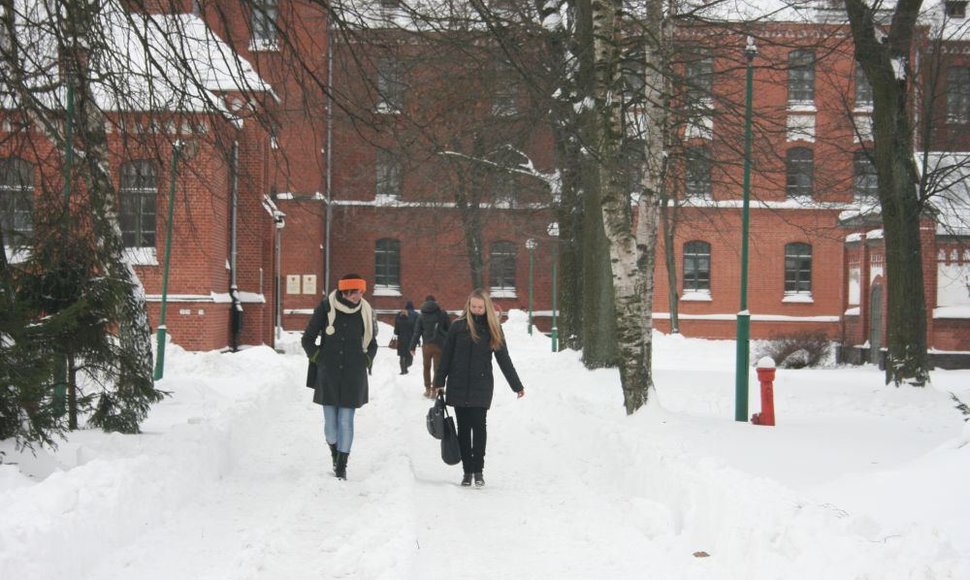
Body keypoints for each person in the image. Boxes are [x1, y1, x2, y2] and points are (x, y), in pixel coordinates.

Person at [434, 289, 525, 488]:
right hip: (458, 385)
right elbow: (446, 356)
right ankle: (467, 472)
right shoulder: (458, 327)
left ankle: (479, 470)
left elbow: (504, 359)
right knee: (463, 430)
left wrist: (516, 385)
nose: (476, 310)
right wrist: (439, 382)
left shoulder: (494, 329)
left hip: (481, 386)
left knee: (479, 427)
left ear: (487, 308)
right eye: (473, 306)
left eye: (480, 307)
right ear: (469, 305)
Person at [301, 273, 378, 480]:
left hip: (354, 374)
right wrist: (319, 358)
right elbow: (307, 339)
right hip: (329, 373)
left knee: (346, 420)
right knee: (330, 426)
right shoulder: (326, 308)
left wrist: (366, 361)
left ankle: (342, 465)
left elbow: (372, 344)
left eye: (361, 292)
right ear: (345, 291)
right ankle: (334, 452)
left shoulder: (366, 311)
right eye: (355, 292)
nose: (359, 296)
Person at [409, 295, 451, 398]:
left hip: (426, 345)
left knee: (426, 367)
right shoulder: (442, 314)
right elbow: (449, 330)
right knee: (437, 368)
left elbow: (416, 332)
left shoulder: (421, 316)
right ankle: (434, 390)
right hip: (439, 345)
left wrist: (412, 347)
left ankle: (427, 389)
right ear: (435, 302)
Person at [392, 306, 416, 375]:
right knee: (409, 355)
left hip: (401, 340)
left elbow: (396, 332)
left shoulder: (398, 322)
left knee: (402, 356)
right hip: (409, 340)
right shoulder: (411, 322)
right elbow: (414, 331)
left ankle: (403, 370)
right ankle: (407, 366)